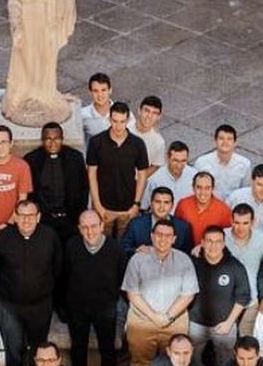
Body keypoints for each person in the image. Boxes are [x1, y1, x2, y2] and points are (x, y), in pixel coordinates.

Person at [0, 200, 62, 366]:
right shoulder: (2, 237)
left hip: (40, 305)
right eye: (22, 215)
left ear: (38, 217)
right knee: (13, 351)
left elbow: (57, 267)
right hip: (9, 305)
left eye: (30, 215)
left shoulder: (50, 237)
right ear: (15, 217)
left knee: (38, 352)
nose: (26, 220)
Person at [122, 219, 199, 366]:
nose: (163, 239)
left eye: (168, 235)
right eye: (159, 234)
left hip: (174, 321)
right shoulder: (137, 259)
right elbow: (132, 293)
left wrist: (168, 317)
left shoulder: (184, 260)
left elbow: (188, 294)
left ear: (174, 239)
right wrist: (154, 317)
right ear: (152, 236)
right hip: (142, 320)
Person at [63, 209, 125, 366]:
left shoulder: (115, 248)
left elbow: (121, 278)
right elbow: (64, 276)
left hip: (105, 308)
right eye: (85, 227)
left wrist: (113, 300)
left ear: (102, 226)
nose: (90, 232)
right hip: (77, 307)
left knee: (108, 350)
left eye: (94, 226)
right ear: (79, 229)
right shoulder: (72, 246)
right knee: (78, 349)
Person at [188, 225, 251, 362]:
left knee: (226, 362)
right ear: (202, 243)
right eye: (209, 241)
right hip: (196, 324)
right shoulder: (192, 263)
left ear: (223, 244)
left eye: (218, 242)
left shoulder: (235, 266)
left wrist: (229, 322)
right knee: (192, 360)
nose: (213, 246)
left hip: (224, 324)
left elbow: (243, 296)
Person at [86, 102, 149, 237]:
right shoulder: (96, 142)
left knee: (124, 244)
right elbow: (91, 174)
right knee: (102, 242)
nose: (118, 126)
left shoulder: (138, 144)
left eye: (122, 121)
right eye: (115, 121)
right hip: (103, 206)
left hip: (127, 207)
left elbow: (142, 174)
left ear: (128, 120)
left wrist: (136, 205)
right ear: (109, 119)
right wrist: (97, 205)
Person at [25, 121, 87, 240]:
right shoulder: (32, 159)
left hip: (70, 219)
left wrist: (79, 215)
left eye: (56, 139)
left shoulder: (75, 158)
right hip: (43, 221)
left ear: (62, 139)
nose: (52, 143)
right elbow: (29, 192)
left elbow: (84, 188)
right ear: (42, 140)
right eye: (48, 139)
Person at [224, 205, 263, 339]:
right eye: (237, 222)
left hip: (252, 299)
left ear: (253, 222)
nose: (240, 227)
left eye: (245, 223)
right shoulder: (221, 237)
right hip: (227, 299)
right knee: (226, 339)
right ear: (231, 221)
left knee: (247, 338)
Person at [121, 188, 193, 254]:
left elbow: (188, 255)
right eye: (158, 202)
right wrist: (136, 251)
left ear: (172, 205)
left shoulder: (183, 228)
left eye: (166, 202)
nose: (161, 207)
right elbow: (123, 248)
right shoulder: (136, 224)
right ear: (151, 204)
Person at [227, 164, 263, 242]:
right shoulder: (236, 197)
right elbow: (225, 225)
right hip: (239, 244)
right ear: (252, 181)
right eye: (259, 185)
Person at [194, 125, 253, 197]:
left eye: (229, 139)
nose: (225, 142)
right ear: (215, 141)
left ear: (235, 143)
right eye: (221, 138)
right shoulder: (201, 162)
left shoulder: (244, 164)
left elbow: (245, 191)